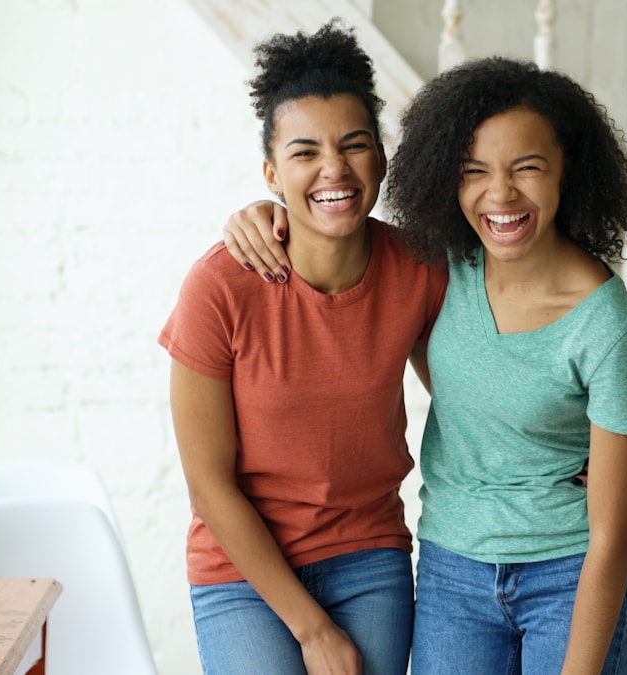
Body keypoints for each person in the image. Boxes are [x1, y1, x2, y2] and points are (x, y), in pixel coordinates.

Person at [226, 57, 627, 675]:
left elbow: (611, 539)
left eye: (526, 168)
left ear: (568, 173)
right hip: (453, 572)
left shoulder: (606, 325)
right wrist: (261, 214)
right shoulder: (442, 267)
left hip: (570, 576)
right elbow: (339, 231)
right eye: (474, 171)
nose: (499, 194)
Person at [159, 20, 446, 675]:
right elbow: (208, 484)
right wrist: (312, 629)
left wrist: (577, 451)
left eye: (354, 144)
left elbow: (475, 389)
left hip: (368, 553)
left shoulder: (418, 270)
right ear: (271, 172)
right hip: (241, 569)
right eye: (305, 151)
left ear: (381, 155)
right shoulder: (220, 286)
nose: (334, 168)